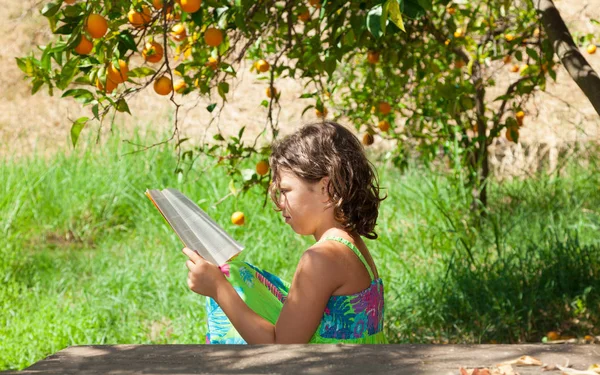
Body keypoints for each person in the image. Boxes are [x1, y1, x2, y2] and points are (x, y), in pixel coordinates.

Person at [182, 121, 387, 344]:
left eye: (286, 191)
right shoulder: (352, 246)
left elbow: (282, 349)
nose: (280, 203)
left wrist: (218, 288)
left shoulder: (322, 258)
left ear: (325, 188)